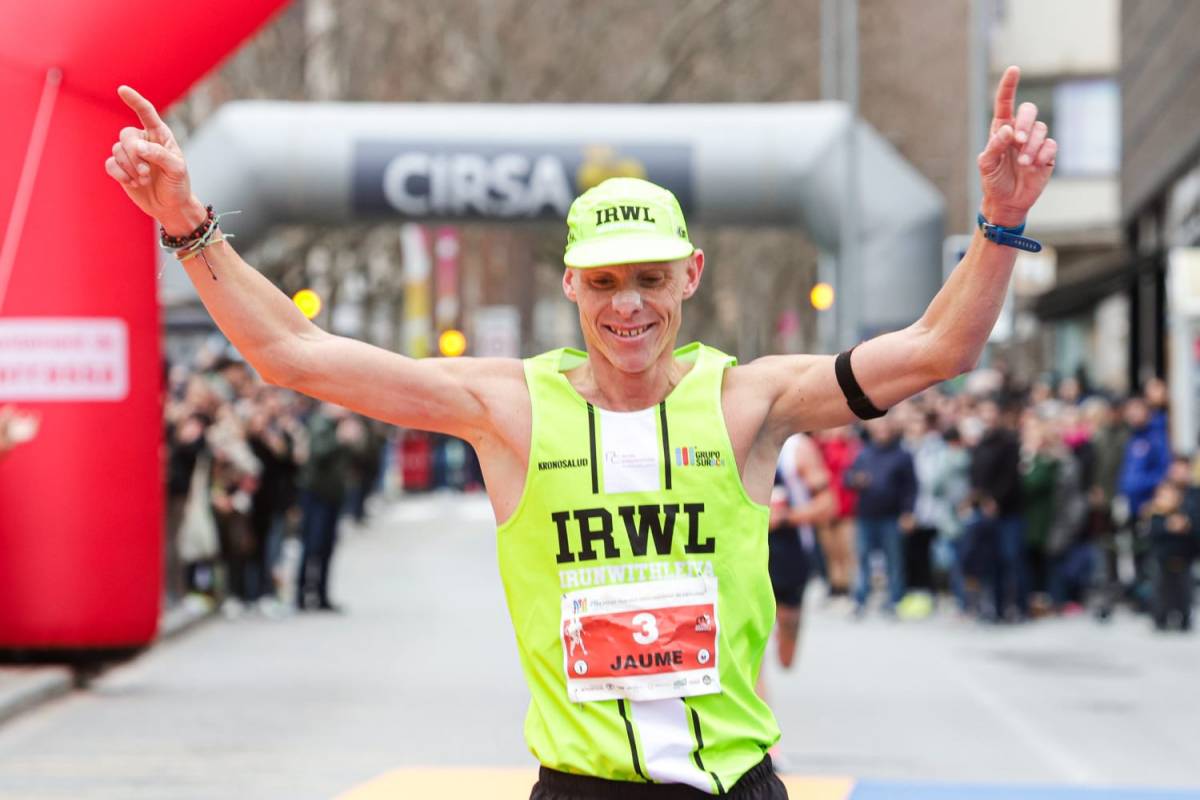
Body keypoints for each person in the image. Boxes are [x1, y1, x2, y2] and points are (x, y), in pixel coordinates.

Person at [107, 67, 1056, 798]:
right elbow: (296, 354)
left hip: (736, 784)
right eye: (604, 282)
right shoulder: (507, 408)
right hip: (577, 790)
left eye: (649, 278)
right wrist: (188, 222)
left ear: (690, 274)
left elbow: (938, 348)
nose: (628, 306)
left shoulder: (750, 401)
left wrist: (1001, 222)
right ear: (570, 285)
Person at [846, 415, 917, 616]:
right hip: (866, 514)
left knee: (894, 560)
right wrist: (855, 480)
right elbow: (847, 477)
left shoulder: (903, 455)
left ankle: (895, 599)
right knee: (862, 557)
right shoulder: (864, 453)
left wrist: (908, 513)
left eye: (885, 427)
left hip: (891, 516)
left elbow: (911, 487)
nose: (881, 431)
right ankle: (860, 598)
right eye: (878, 427)